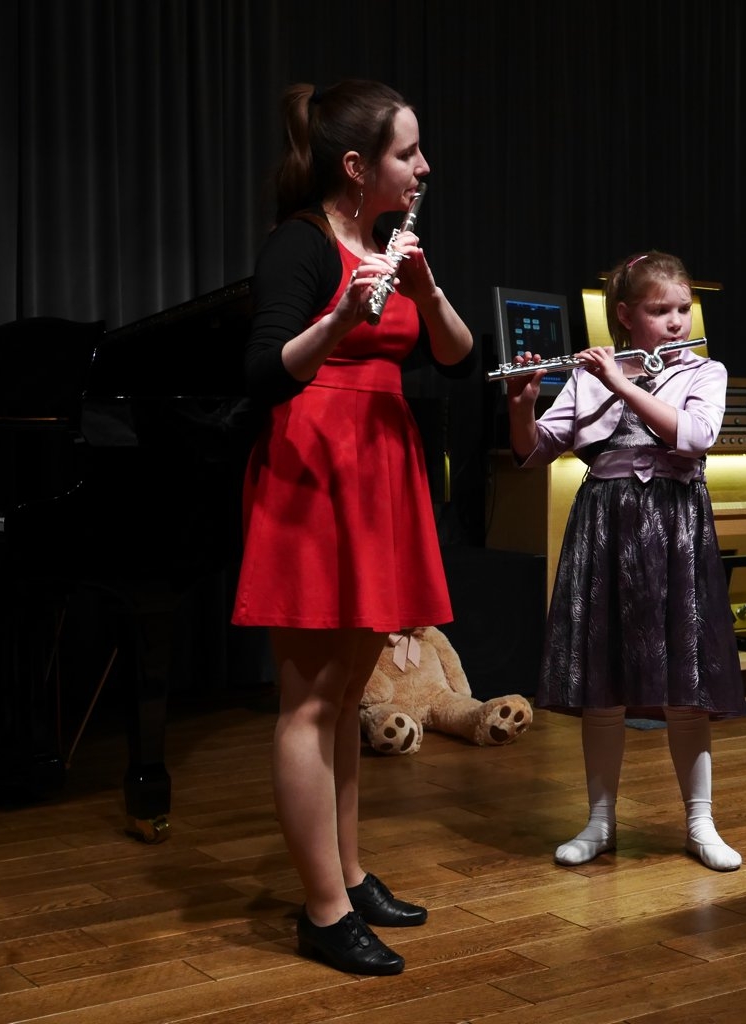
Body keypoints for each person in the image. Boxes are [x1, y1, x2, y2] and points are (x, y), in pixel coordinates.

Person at [232, 79, 473, 976]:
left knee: (346, 696)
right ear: (356, 166)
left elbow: (458, 361)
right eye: (407, 153)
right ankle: (324, 910)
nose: (423, 167)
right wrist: (339, 317)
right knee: (307, 702)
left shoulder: (390, 244)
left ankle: (350, 872)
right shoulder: (299, 244)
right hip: (312, 471)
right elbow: (265, 372)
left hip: (381, 470)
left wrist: (426, 291)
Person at [505, 250, 745, 873]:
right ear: (624, 315)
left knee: (686, 685)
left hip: (675, 526)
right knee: (602, 685)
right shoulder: (589, 375)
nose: (676, 321)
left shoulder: (704, 371)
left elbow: (694, 436)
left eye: (683, 309)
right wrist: (521, 403)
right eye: (660, 310)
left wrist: (620, 384)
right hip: (606, 527)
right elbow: (533, 452)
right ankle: (600, 822)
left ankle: (700, 823)